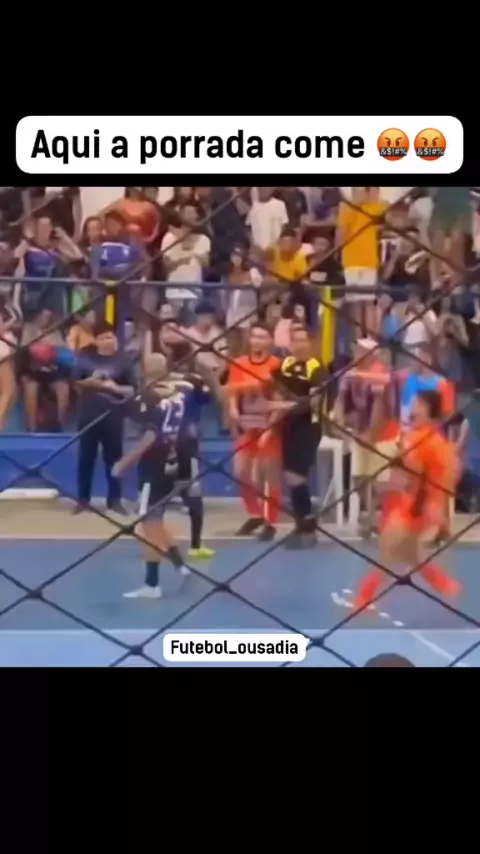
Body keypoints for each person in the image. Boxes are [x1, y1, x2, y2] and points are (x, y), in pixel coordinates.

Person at [353, 390, 462, 611]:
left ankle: (362, 602)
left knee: (386, 556)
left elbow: (410, 481)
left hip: (413, 508)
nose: (410, 409)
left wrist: (381, 486)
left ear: (427, 410)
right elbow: (451, 474)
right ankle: (447, 587)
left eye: (415, 404)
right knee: (409, 556)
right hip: (425, 508)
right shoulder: (439, 441)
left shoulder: (418, 440)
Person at [112, 354, 191, 599]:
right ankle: (180, 566)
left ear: (144, 370)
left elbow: (150, 435)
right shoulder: (179, 393)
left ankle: (152, 584)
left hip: (153, 465)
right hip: (171, 461)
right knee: (156, 518)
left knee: (148, 524)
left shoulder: (148, 398)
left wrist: (124, 463)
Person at [268, 325, 330, 549]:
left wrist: (282, 405)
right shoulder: (285, 364)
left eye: (303, 340)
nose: (299, 345)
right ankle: (302, 523)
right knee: (289, 477)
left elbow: (312, 403)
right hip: (288, 425)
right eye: (295, 341)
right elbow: (273, 388)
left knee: (297, 476)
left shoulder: (317, 368)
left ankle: (307, 526)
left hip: (308, 426)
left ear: (311, 343)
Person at [225, 324, 282, 541]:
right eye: (254, 336)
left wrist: (271, 426)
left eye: (262, 337)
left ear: (270, 341)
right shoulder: (239, 363)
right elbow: (232, 391)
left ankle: (271, 522)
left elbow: (278, 397)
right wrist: (232, 408)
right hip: (245, 423)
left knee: (269, 475)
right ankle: (255, 514)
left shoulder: (276, 364)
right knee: (240, 471)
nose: (257, 341)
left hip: (268, 423)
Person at [72, 322, 135, 515]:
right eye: (105, 337)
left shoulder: (124, 361)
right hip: (88, 414)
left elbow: (133, 389)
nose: (110, 340)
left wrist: (114, 388)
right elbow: (75, 383)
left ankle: (114, 500)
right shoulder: (84, 359)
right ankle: (83, 499)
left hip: (114, 415)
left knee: (114, 458)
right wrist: (89, 382)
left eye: (112, 337)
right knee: (86, 457)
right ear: (97, 340)